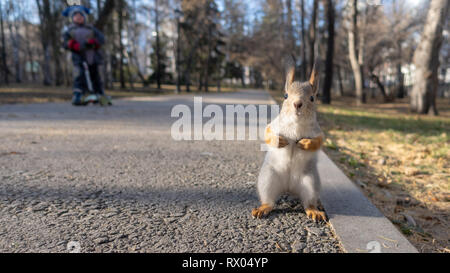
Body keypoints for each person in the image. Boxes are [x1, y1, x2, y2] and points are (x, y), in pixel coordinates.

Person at [62, 5, 111, 106]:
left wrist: (94, 42)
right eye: (76, 16)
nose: (79, 17)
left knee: (95, 76)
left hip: (92, 56)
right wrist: (71, 44)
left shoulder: (91, 29)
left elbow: (102, 39)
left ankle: (100, 94)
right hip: (78, 57)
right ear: (72, 18)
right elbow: (64, 42)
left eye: (81, 15)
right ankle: (79, 95)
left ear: (85, 17)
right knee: (79, 76)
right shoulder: (70, 30)